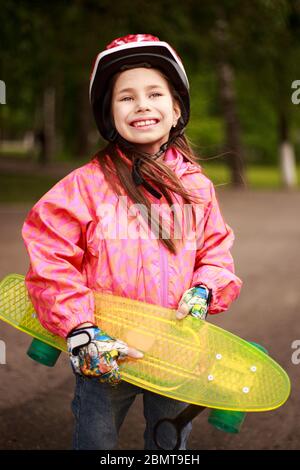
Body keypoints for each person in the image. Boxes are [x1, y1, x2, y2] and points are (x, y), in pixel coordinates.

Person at [22, 34, 242, 450]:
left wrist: (205, 288)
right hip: (107, 353)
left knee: (169, 444)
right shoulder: (85, 188)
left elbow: (216, 251)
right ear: (108, 114)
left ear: (176, 109)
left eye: (154, 93)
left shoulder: (196, 187)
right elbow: (50, 258)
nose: (141, 104)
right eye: (126, 98)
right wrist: (81, 329)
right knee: (95, 440)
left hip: (175, 353)